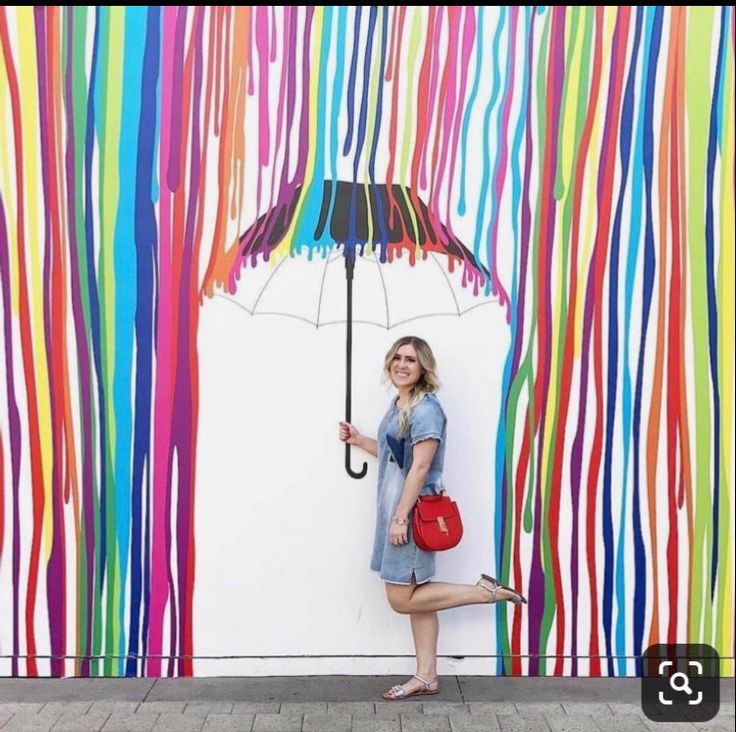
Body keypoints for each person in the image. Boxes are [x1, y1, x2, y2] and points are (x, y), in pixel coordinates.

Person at [339, 335, 527, 701]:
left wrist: (400, 518)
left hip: (411, 515)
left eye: (410, 359)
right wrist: (361, 440)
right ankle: (426, 677)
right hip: (397, 513)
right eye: (397, 357)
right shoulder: (399, 404)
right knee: (417, 596)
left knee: (401, 599)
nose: (402, 364)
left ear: (423, 366)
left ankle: (484, 592)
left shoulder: (426, 408)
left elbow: (422, 466)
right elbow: (401, 459)